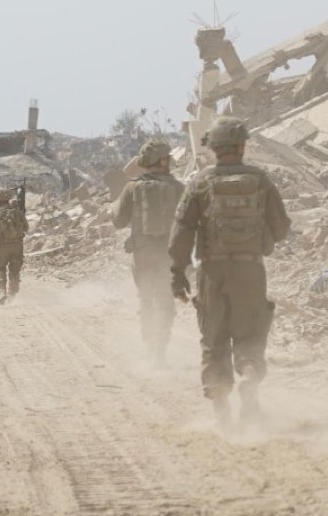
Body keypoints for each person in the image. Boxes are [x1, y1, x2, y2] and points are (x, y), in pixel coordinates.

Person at [169, 116, 290, 431]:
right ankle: (249, 378)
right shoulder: (260, 179)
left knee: (214, 340)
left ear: (213, 148)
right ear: (241, 146)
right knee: (249, 335)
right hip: (250, 269)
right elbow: (282, 227)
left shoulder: (199, 182)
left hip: (211, 270)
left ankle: (222, 413)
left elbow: (181, 231)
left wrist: (177, 272)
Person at [111, 138, 184, 364]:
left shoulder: (132, 187)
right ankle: (159, 351)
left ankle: (149, 345)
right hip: (170, 255)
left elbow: (118, 222)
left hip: (142, 255)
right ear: (163, 161)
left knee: (146, 299)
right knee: (165, 301)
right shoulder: (179, 188)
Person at [0, 188, 29, 304]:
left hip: (2, 246)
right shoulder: (17, 212)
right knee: (14, 271)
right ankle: (12, 294)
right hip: (17, 245)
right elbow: (26, 227)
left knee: (0, 268)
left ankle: (2, 292)